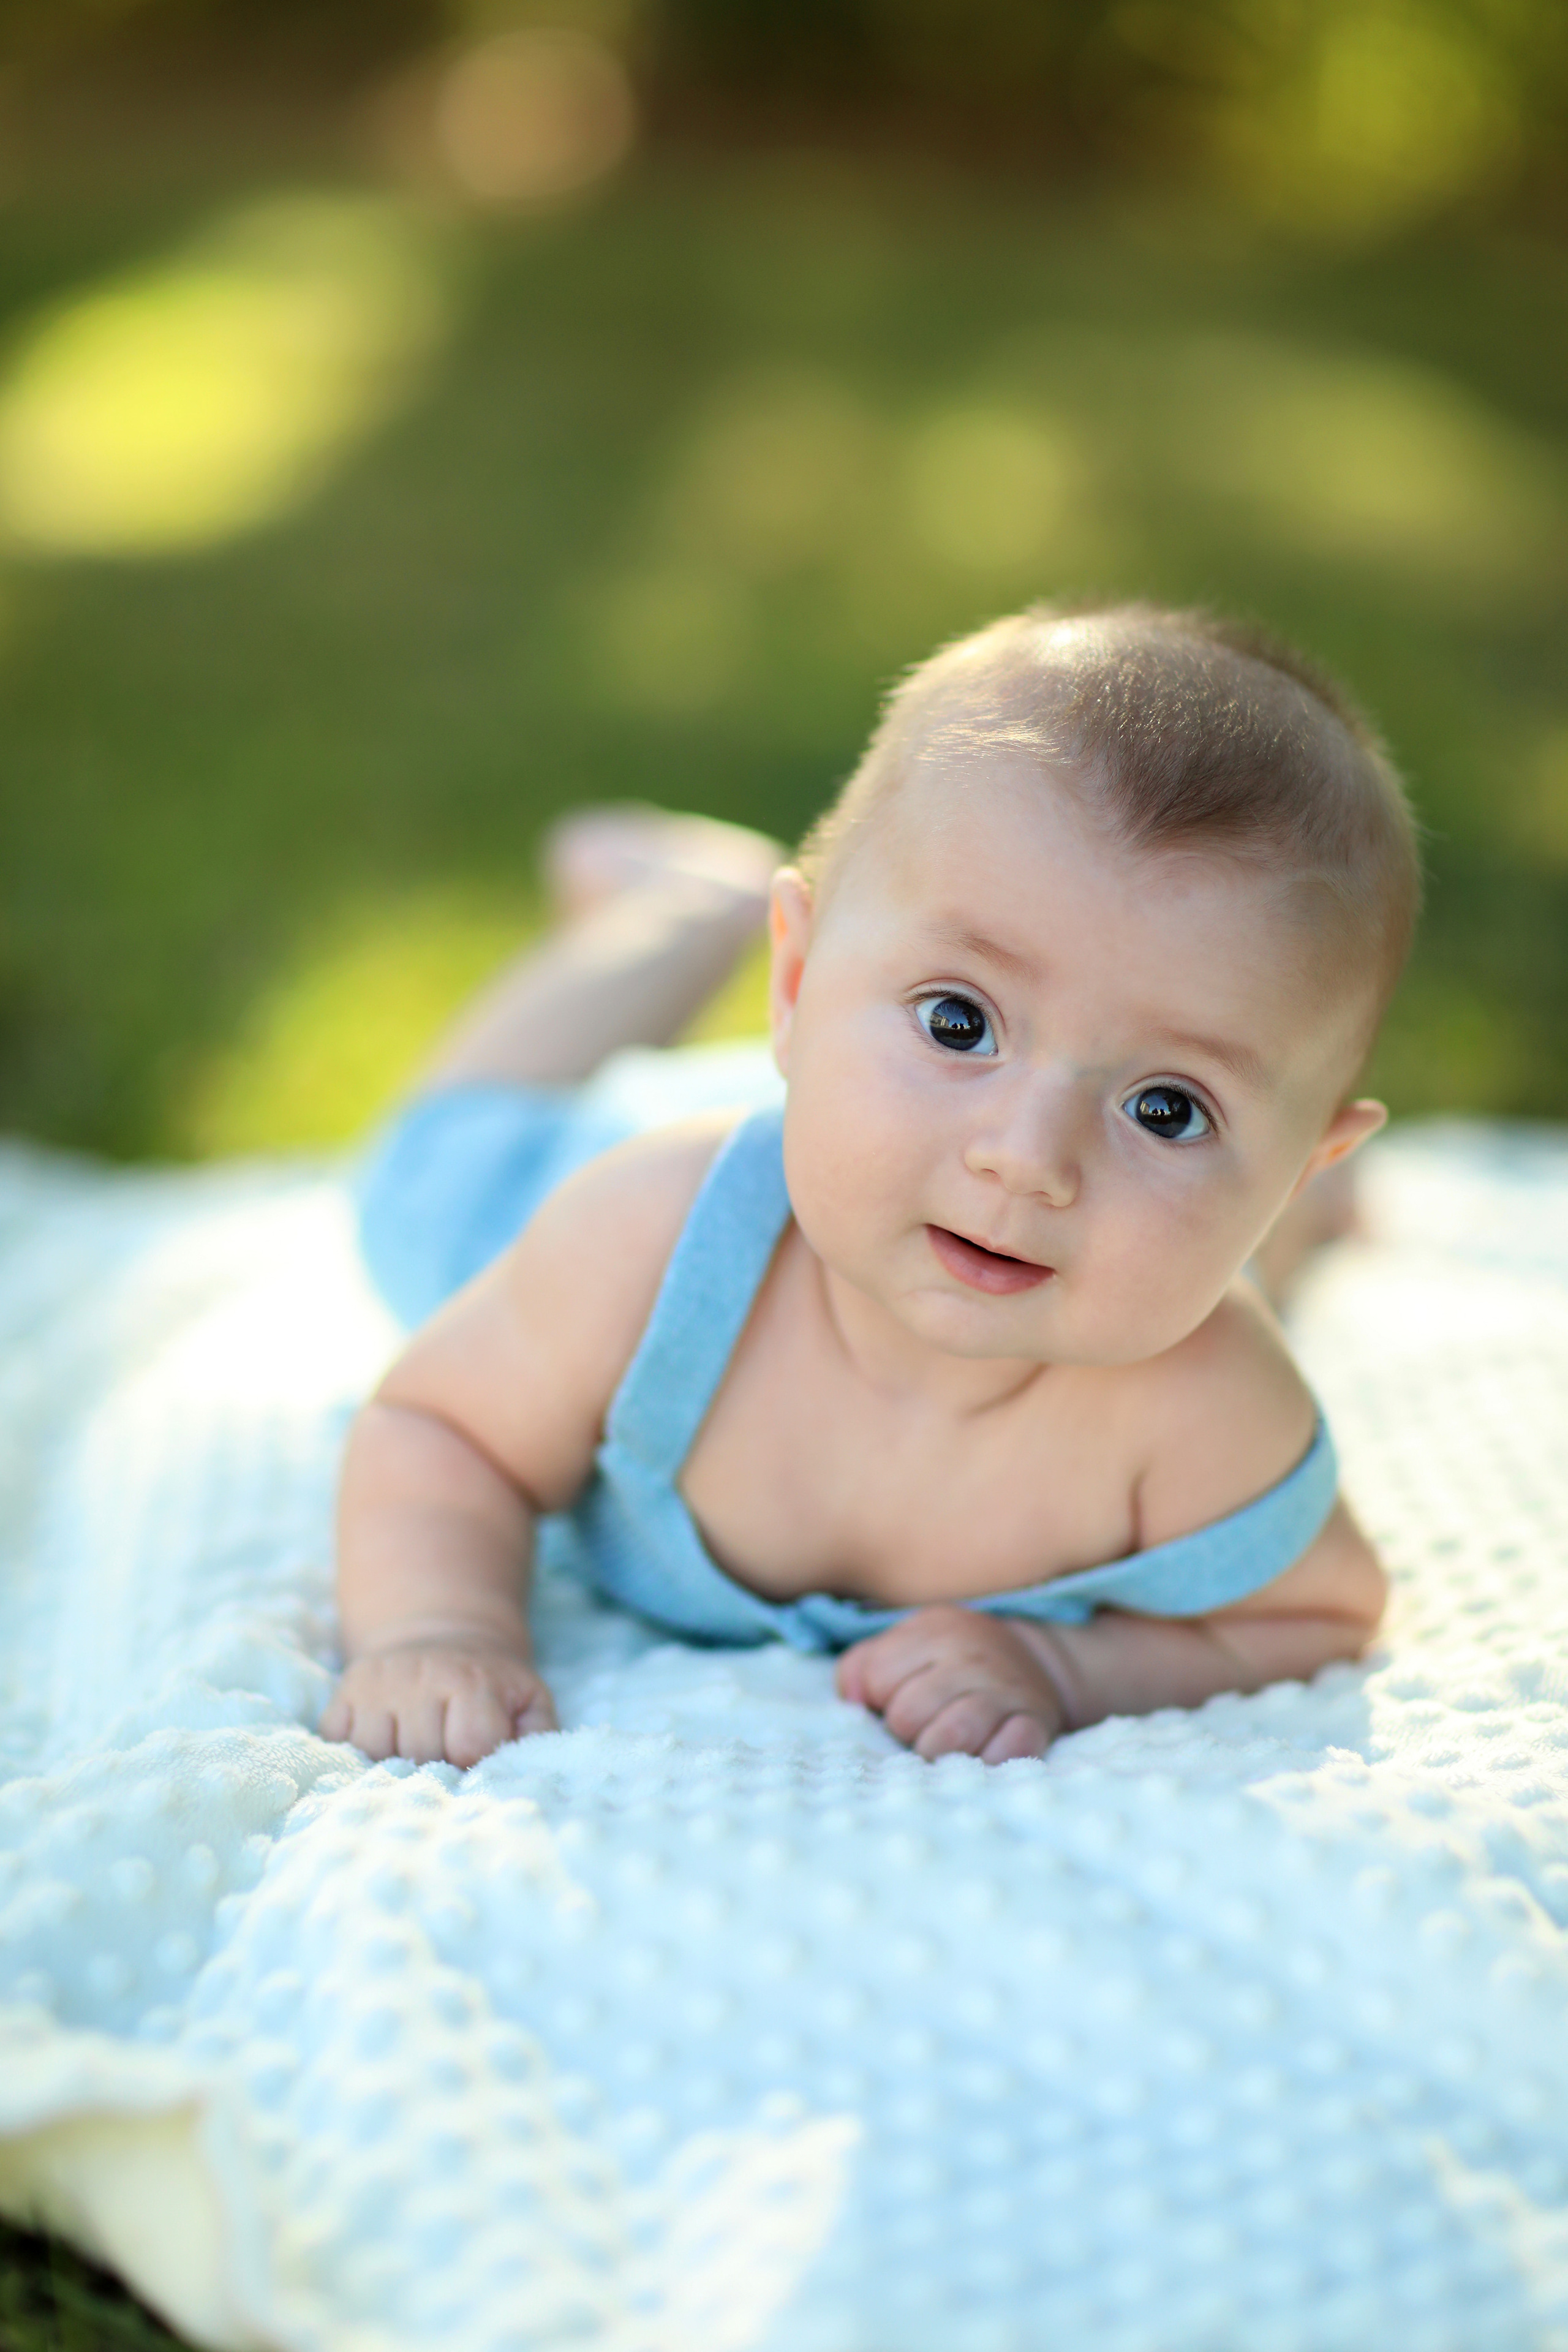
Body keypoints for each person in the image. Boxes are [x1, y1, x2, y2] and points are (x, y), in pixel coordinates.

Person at [321, 603, 1417, 1770]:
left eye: (1169, 1108)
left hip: (888, 1127)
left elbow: (1317, 1612)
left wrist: (1064, 1670)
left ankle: (1276, 1218)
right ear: (794, 983)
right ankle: (682, 905)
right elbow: (442, 1430)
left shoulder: (1206, 1409)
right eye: (962, 1019)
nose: (1028, 1158)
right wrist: (438, 1628)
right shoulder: (637, 1243)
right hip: (634, 1178)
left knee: (1206, 1270)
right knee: (429, 1176)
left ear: (1299, 1158)